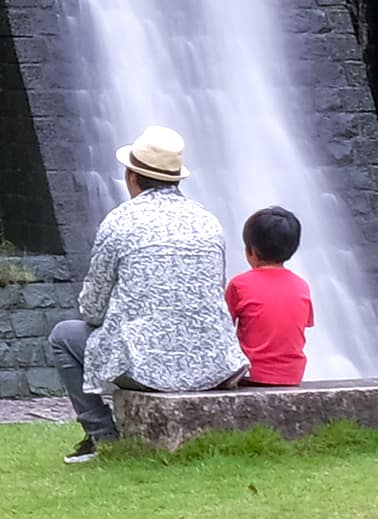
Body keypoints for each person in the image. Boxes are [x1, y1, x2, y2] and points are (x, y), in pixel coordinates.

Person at [51, 128, 246, 462]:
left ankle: (103, 437)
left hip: (148, 369)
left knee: (63, 336)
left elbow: (92, 310)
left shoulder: (119, 222)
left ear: (131, 177)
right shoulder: (208, 221)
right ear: (176, 179)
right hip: (216, 364)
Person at [226, 206, 314, 386]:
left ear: (250, 251)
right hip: (293, 375)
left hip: (251, 374)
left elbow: (222, 328)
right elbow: (301, 325)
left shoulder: (239, 284)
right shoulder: (302, 286)